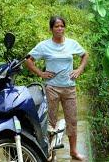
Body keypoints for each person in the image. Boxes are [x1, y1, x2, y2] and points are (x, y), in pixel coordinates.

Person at [25, 15, 88, 161]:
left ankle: (73, 151)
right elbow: (28, 60)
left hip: (69, 88)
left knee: (72, 120)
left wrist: (79, 70)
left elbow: (85, 55)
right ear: (51, 29)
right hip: (51, 88)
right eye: (56, 26)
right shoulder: (44, 45)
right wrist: (41, 73)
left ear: (64, 28)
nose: (59, 29)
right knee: (51, 122)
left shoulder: (72, 43)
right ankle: (51, 154)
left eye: (62, 26)